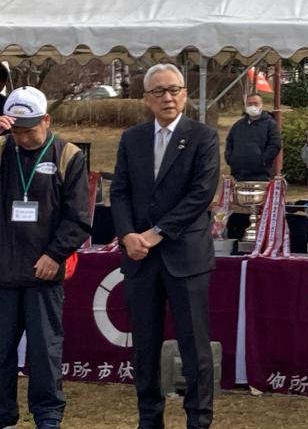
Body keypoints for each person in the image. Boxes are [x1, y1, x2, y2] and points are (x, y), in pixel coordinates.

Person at [110, 64, 221, 429]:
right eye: (159, 91)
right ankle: (149, 418)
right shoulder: (133, 139)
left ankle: (198, 419)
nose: (168, 97)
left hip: (184, 257)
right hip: (140, 259)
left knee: (194, 348)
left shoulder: (203, 137)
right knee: (145, 347)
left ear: (186, 94)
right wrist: (127, 235)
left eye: (174, 89)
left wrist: (157, 232)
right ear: (146, 99)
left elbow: (201, 194)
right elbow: (120, 191)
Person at [0, 87, 91, 429]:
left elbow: (79, 216)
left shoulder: (68, 155)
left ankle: (48, 417)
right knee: (1, 352)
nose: (23, 137)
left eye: (30, 129)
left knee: (44, 351)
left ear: (47, 120)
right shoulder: (2, 150)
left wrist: (56, 254)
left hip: (44, 273)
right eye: (17, 130)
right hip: (4, 271)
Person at [224, 93, 281, 239]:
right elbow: (229, 143)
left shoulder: (270, 124)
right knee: (239, 210)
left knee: (258, 209)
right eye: (249, 103)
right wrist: (230, 159)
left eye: (255, 103)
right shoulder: (238, 125)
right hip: (239, 174)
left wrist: (262, 161)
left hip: (260, 175)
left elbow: (275, 144)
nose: (252, 106)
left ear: (261, 105)